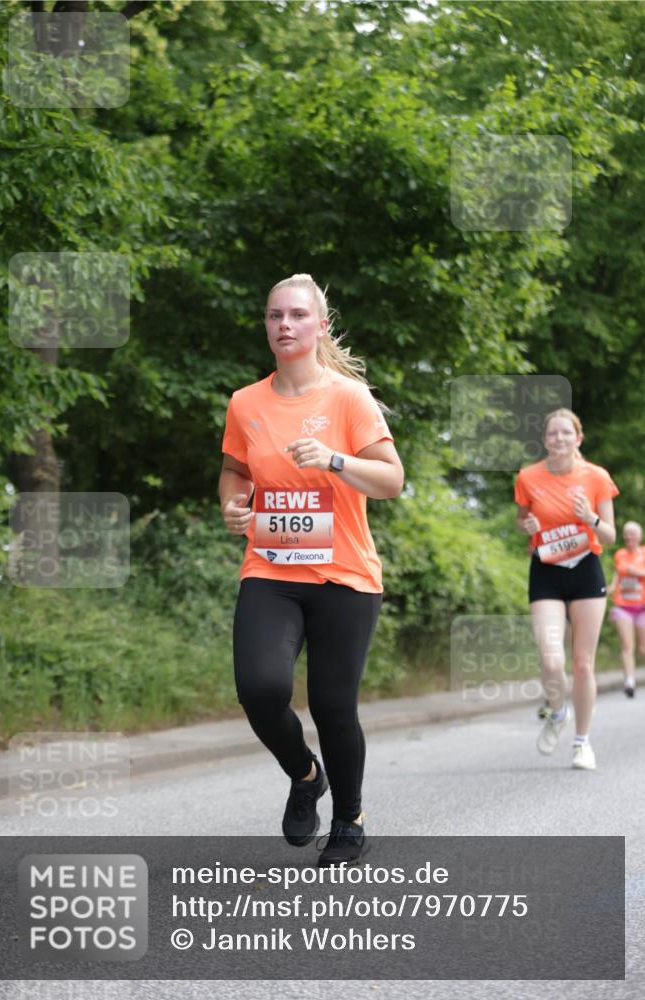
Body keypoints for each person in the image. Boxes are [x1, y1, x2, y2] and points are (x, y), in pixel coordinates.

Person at [219, 273, 403, 865]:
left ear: (320, 325)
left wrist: (334, 459)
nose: (285, 325)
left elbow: (392, 480)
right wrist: (232, 502)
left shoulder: (348, 398)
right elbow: (235, 472)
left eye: (297, 315)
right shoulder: (246, 402)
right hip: (271, 566)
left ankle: (349, 818)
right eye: (275, 315)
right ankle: (304, 775)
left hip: (344, 573)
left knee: (331, 704)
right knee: (260, 688)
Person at [514, 408, 618, 770]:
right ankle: (558, 713)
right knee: (550, 657)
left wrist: (589, 517)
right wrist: (526, 525)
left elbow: (609, 534)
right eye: (552, 434)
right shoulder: (528, 477)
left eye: (565, 433)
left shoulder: (596, 477)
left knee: (583, 663)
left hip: (586, 569)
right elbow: (522, 521)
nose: (558, 439)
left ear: (578, 438)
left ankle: (582, 742)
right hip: (546, 570)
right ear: (544, 440)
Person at [607, 521, 645, 697]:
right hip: (623, 605)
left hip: (642, 606)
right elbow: (617, 580)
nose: (629, 537)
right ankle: (629, 681)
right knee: (627, 645)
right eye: (626, 534)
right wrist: (606, 590)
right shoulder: (620, 554)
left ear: (639, 536)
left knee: (642, 648)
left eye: (632, 534)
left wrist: (637, 572)